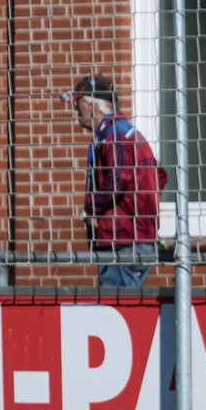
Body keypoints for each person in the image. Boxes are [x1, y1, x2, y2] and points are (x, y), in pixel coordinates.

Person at [61, 73, 168, 287]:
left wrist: (92, 208)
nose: (75, 110)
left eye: (78, 103)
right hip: (137, 239)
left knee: (116, 308)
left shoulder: (113, 135)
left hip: (123, 242)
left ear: (94, 106)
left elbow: (119, 176)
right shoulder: (126, 133)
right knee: (130, 310)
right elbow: (159, 176)